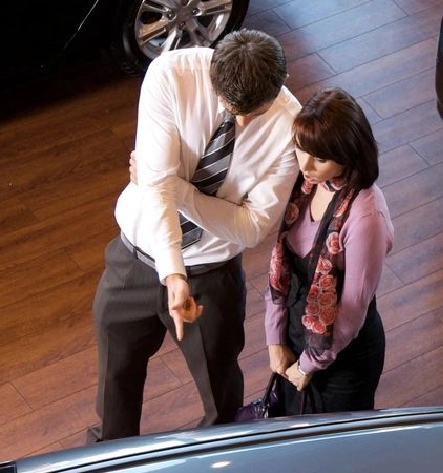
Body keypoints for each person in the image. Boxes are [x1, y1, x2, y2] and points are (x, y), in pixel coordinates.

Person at [88, 29, 301, 442]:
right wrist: (172, 273)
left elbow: (253, 226)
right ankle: (107, 467)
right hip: (133, 260)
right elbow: (157, 191)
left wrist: (177, 189)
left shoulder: (290, 124)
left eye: (253, 113)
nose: (241, 121)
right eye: (230, 107)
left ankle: (220, 466)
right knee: (114, 384)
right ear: (212, 75)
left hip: (212, 275)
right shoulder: (170, 75)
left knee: (220, 395)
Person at [265, 88, 394, 414]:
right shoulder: (305, 183)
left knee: (332, 453)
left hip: (341, 357)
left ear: (348, 154)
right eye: (300, 150)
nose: (304, 165)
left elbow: (351, 313)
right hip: (298, 335)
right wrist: (275, 339)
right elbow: (281, 268)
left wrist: (308, 365)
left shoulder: (366, 216)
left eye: (319, 158)